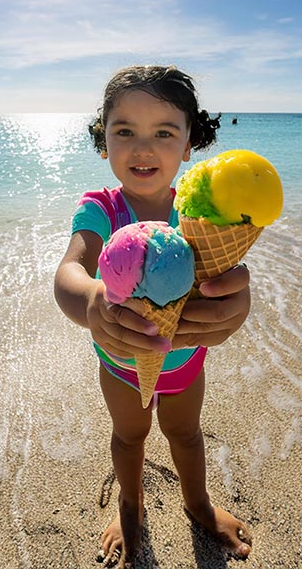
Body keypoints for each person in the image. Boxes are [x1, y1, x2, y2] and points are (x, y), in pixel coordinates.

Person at [54, 65, 253, 566]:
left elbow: (225, 280)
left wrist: (239, 302)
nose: (143, 148)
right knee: (130, 435)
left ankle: (199, 504)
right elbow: (69, 272)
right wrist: (92, 302)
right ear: (104, 142)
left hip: (185, 361)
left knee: (186, 434)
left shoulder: (199, 215)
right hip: (120, 360)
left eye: (164, 133)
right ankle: (129, 505)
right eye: (125, 131)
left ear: (189, 144)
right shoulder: (101, 207)